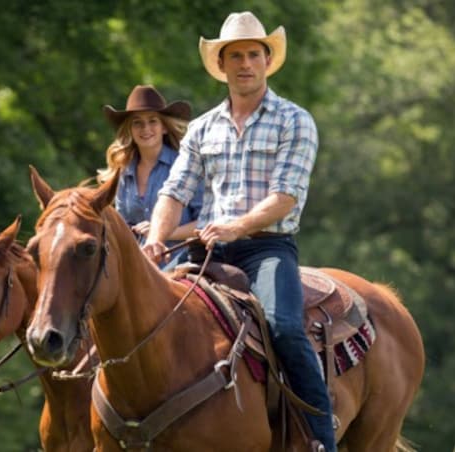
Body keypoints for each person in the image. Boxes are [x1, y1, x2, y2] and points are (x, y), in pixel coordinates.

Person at [142, 11, 336, 452]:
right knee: (147, 314)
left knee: (284, 327)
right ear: (222, 66)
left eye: (253, 54)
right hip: (206, 249)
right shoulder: (202, 129)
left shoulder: (294, 120)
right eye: (235, 56)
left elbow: (285, 197)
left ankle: (320, 438)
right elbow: (174, 192)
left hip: (265, 248)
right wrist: (157, 236)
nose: (245, 63)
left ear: (267, 61)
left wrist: (237, 226)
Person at [98, 85, 203, 269]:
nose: (145, 128)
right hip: (138, 266)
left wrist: (161, 232)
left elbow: (205, 223)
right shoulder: (123, 172)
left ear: (164, 127)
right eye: (137, 122)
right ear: (129, 129)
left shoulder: (186, 165)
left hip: (182, 262)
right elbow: (122, 228)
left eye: (152, 121)